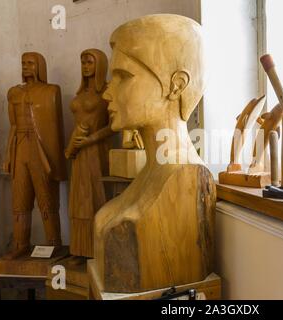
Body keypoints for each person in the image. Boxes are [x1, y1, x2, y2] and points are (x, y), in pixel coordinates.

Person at [93, 14, 216, 293]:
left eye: (122, 77)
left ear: (176, 85)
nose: (107, 94)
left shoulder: (187, 176)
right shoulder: (153, 172)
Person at [4, 52, 66, 258]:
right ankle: (21, 244)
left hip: (40, 149)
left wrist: (57, 162)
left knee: (45, 196)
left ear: (39, 65)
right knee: (19, 199)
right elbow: (12, 125)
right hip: (19, 145)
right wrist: (7, 155)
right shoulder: (13, 93)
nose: (25, 66)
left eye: (30, 63)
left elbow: (56, 128)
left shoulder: (50, 91)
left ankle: (53, 242)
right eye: (23, 63)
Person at [66, 49, 115, 260]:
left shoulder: (108, 92)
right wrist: (72, 146)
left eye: (89, 62)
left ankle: (97, 248)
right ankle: (79, 249)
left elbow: (114, 126)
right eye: (83, 62)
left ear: (100, 65)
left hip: (97, 152)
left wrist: (90, 140)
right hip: (78, 153)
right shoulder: (80, 94)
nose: (85, 66)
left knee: (96, 196)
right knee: (79, 199)